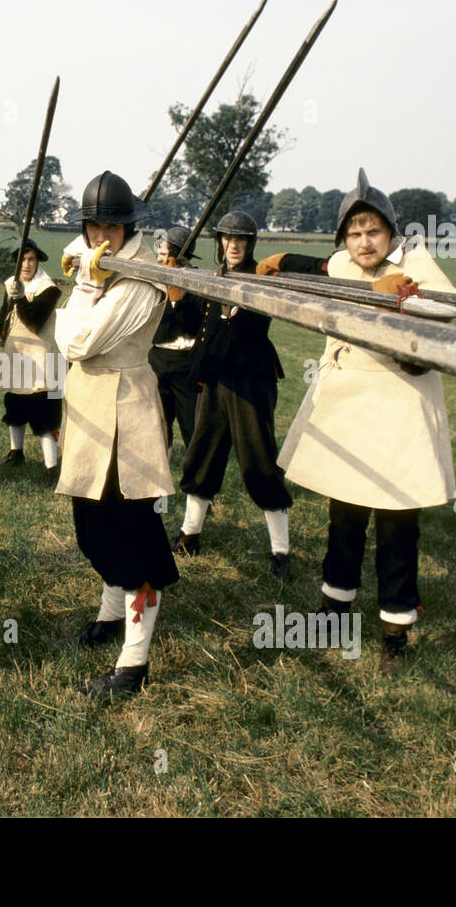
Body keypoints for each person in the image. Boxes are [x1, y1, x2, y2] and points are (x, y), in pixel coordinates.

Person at [274, 169, 456, 675]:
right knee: (344, 517)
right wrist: (279, 261)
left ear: (391, 233)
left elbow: (445, 319)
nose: (363, 241)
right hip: (347, 408)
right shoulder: (340, 262)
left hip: (399, 413)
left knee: (397, 526)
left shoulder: (416, 263)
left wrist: (407, 300)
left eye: (372, 231)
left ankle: (395, 633)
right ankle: (335, 611)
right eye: (354, 233)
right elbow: (320, 267)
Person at [56, 171, 178, 699]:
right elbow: (68, 336)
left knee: (131, 535)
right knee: (91, 526)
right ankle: (110, 615)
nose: (100, 238)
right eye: (92, 227)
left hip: (127, 409)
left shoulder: (140, 275)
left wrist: (85, 283)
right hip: (88, 405)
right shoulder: (99, 264)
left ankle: (134, 662)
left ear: (128, 228)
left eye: (111, 227)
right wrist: (88, 276)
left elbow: (78, 340)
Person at [169, 211, 293, 582]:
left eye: (240, 239)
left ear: (250, 243)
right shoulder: (213, 277)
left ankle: (281, 552)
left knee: (258, 462)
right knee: (202, 454)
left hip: (251, 380)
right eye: (227, 238)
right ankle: (190, 535)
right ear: (219, 241)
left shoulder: (261, 278)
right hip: (215, 379)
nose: (233, 245)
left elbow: (248, 326)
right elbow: (194, 325)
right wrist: (177, 292)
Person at [0, 239, 62, 486]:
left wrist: (21, 298)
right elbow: (4, 314)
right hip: (16, 354)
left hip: (42, 358)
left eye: (31, 259)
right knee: (15, 404)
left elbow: (35, 322)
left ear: (38, 262)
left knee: (44, 413)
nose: (26, 264)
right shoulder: (12, 285)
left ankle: (51, 467)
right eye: (22, 259)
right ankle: (16, 452)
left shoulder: (49, 288)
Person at [147, 225, 206, 451]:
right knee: (158, 419)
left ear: (178, 254)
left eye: (164, 254)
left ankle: (196, 471)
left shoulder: (197, 281)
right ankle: (161, 461)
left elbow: (193, 321)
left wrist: (179, 293)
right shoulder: (155, 279)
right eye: (159, 254)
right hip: (159, 357)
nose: (159, 259)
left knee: (191, 421)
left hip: (186, 360)